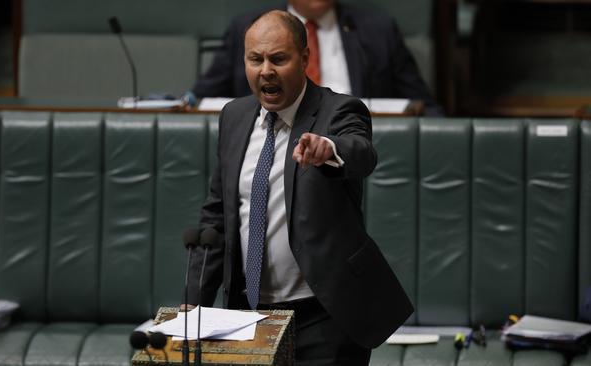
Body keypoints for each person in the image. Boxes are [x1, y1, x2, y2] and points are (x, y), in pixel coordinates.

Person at [185, 10, 413, 366]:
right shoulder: (234, 116)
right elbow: (218, 215)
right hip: (248, 314)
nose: (266, 71)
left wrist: (330, 150)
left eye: (278, 59)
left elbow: (361, 153)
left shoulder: (339, 110)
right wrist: (195, 304)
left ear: (304, 58)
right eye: (255, 59)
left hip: (324, 316)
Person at [191, 0, 443, 116]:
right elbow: (200, 103)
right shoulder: (249, 29)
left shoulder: (379, 29)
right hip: (272, 149)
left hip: (357, 154)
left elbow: (426, 109)